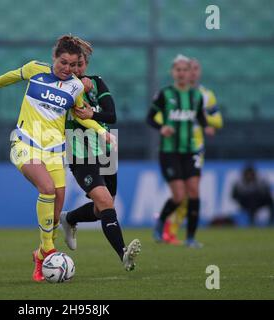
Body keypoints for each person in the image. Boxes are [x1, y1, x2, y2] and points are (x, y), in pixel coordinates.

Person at [0, 35, 113, 282]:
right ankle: (49, 249)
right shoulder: (35, 69)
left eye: (73, 65)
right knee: (47, 188)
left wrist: (102, 132)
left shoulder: (75, 86)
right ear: (54, 58)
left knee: (57, 203)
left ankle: (40, 257)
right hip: (25, 144)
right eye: (63, 63)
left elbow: (81, 115)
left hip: (55, 151)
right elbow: (10, 76)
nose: (68, 69)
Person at [60, 38, 141, 271]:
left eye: (80, 64)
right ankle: (124, 255)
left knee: (101, 209)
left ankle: (70, 218)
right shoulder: (61, 85)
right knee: (105, 202)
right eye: (72, 65)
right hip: (80, 153)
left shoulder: (97, 82)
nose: (75, 70)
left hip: (106, 152)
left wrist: (92, 113)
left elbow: (111, 115)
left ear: (86, 64)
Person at [146, 54, 215, 248]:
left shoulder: (196, 96)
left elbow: (200, 117)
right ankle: (161, 222)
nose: (182, 73)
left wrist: (206, 126)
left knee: (193, 191)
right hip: (169, 151)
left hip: (191, 150)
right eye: (179, 70)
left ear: (189, 72)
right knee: (179, 196)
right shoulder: (164, 94)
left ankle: (191, 237)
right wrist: (162, 128)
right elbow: (150, 118)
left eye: (185, 70)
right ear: (173, 72)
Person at [161, 58, 224, 244]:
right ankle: (169, 229)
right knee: (182, 194)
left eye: (196, 69)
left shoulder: (205, 95)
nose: (193, 72)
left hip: (195, 148)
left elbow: (218, 121)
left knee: (191, 192)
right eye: (191, 69)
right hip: (175, 148)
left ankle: (174, 231)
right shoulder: (172, 94)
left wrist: (203, 118)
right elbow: (159, 115)